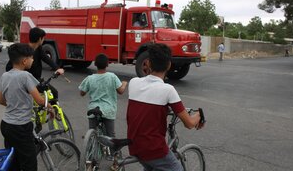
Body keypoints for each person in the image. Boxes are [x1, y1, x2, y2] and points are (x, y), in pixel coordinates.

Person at [127, 43, 204, 171]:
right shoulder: (168, 90)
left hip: (134, 147)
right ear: (169, 65)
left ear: (149, 63)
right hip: (154, 150)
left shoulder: (133, 83)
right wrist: (199, 116)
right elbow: (189, 123)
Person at [0, 43, 54, 171]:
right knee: (29, 163)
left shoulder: (4, 76)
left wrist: (15, 104)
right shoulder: (25, 76)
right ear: (24, 61)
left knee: (13, 159)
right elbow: (40, 101)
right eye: (31, 57)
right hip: (21, 126)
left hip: (6, 125)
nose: (33, 60)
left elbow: (1, 100)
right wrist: (51, 108)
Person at [6, 27, 64, 99]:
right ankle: (50, 109)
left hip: (36, 80)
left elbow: (47, 59)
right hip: (26, 82)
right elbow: (9, 67)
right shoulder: (23, 50)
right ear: (40, 39)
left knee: (52, 93)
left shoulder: (39, 49)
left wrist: (57, 68)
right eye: (43, 38)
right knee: (51, 94)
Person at [79, 53, 127, 138]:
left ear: (95, 64)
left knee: (92, 133)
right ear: (107, 64)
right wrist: (124, 84)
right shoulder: (112, 77)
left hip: (93, 109)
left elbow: (82, 93)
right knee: (110, 135)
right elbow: (120, 91)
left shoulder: (90, 78)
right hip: (108, 110)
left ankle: (91, 144)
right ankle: (112, 150)